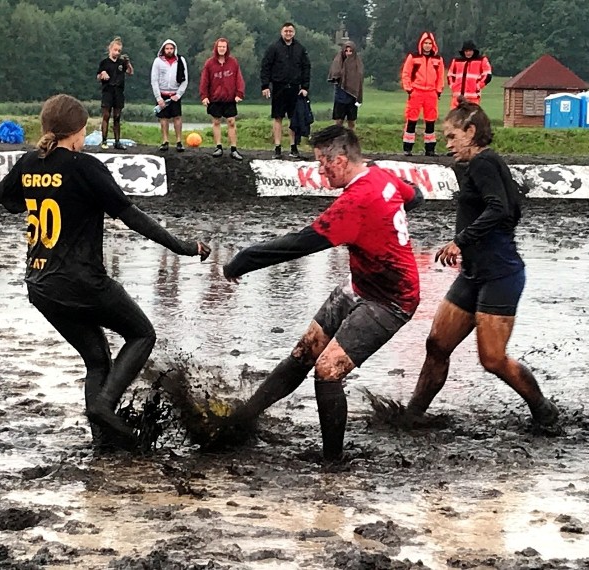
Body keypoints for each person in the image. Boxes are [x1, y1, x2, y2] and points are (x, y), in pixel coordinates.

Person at [0, 94, 211, 451]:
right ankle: (103, 406)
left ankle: (103, 441)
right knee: (142, 334)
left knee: (97, 359)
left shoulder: (28, 163)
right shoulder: (86, 166)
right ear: (78, 133)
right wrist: (183, 246)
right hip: (81, 281)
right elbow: (132, 216)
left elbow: (1, 199)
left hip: (40, 286)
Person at [222, 125, 424, 462]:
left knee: (327, 369)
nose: (319, 172)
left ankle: (333, 462)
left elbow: (300, 244)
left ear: (341, 161)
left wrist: (241, 261)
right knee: (306, 350)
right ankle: (242, 420)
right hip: (360, 284)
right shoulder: (380, 175)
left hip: (392, 300)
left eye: (321, 164)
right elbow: (415, 196)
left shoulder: (356, 201)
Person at [404, 100, 558, 427]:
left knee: (492, 359)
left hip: (500, 275)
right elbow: (512, 207)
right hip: (473, 273)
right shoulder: (480, 165)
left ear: (471, 132)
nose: (447, 145)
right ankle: (412, 415)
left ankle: (544, 411)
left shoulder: (484, 163)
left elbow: (500, 208)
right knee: (437, 344)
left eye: (451, 137)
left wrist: (461, 240)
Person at [260, 22, 311, 159]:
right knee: (278, 117)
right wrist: (265, 86)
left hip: (295, 88)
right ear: (281, 32)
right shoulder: (273, 48)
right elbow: (265, 67)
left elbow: (306, 68)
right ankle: (277, 147)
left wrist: (305, 87)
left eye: (290, 31)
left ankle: (293, 147)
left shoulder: (300, 48)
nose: (288, 34)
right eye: (286, 31)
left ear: (294, 33)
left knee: (293, 119)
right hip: (278, 87)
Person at [199, 37, 245, 161]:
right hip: (215, 98)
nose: (222, 49)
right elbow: (204, 80)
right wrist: (204, 96)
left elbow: (238, 78)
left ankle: (233, 149)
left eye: (224, 47)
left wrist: (239, 93)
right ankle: (218, 147)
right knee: (216, 122)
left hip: (229, 98)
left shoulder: (233, 62)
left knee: (231, 122)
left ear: (227, 48)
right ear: (216, 48)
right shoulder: (209, 63)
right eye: (220, 47)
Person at [401, 31, 444, 157]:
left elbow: (440, 76)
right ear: (421, 44)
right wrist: (409, 89)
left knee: (431, 121)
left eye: (430, 43)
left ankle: (430, 149)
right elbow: (406, 74)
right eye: (425, 43)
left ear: (433, 45)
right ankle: (407, 148)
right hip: (416, 91)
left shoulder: (437, 59)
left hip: (431, 93)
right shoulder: (413, 57)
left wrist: (438, 90)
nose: (427, 45)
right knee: (411, 120)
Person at [150, 39, 188, 152]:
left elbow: (185, 79)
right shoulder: (158, 61)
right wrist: (158, 97)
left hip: (175, 94)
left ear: (174, 49)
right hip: (162, 94)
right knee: (163, 118)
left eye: (171, 49)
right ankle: (165, 141)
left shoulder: (181, 60)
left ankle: (179, 141)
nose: (169, 51)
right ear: (163, 49)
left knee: (177, 117)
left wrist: (179, 94)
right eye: (167, 48)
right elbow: (154, 80)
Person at [97, 36, 133, 150]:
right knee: (106, 116)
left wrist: (128, 63)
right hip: (107, 91)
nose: (117, 53)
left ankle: (117, 141)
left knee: (117, 117)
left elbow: (130, 72)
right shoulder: (104, 62)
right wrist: (102, 74)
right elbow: (98, 76)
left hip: (118, 91)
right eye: (115, 50)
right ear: (110, 49)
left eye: (119, 51)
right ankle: (104, 140)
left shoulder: (121, 62)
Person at [327, 40, 363, 131]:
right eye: (346, 51)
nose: (348, 53)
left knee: (351, 122)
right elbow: (334, 74)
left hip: (352, 96)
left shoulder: (357, 63)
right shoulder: (338, 60)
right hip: (340, 95)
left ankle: (351, 141)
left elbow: (359, 78)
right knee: (338, 122)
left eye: (350, 51)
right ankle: (338, 141)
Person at [446, 40, 491, 110]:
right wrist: (453, 86)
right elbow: (450, 75)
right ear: (463, 52)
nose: (468, 53)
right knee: (454, 119)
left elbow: (487, 75)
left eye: (470, 51)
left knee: (471, 119)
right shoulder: (456, 61)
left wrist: (478, 86)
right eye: (466, 51)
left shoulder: (482, 60)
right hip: (457, 98)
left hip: (472, 98)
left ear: (474, 51)